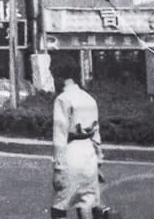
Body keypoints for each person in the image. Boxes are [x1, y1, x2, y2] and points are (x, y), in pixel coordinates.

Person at [51, 76, 103, 219]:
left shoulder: (62, 99)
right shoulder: (90, 99)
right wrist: (98, 161)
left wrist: (58, 169)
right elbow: (96, 134)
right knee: (86, 203)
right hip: (89, 154)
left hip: (71, 152)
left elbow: (60, 136)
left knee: (59, 205)